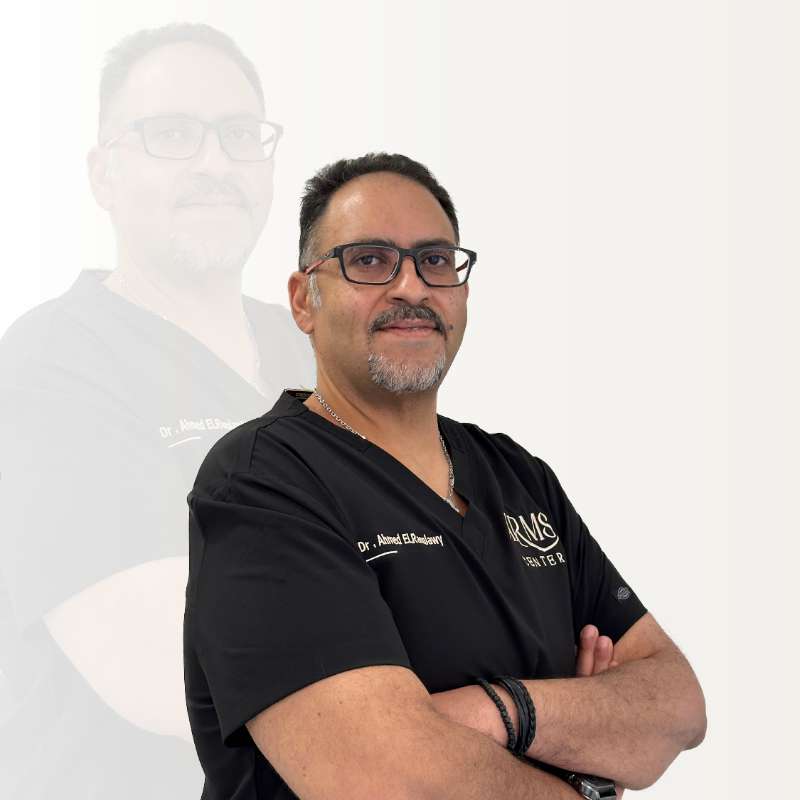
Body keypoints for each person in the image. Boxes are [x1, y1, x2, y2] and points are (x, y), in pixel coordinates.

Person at [184, 152, 707, 799]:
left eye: (434, 260)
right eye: (369, 260)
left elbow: (677, 706)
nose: (411, 287)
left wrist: (495, 711)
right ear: (303, 300)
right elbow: (388, 780)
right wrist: (583, 758)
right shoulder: (263, 483)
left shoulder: (520, 477)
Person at [0, 24, 313, 800]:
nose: (215, 163)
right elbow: (176, 671)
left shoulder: (317, 353)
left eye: (239, 135)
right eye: (172, 134)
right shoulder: (52, 364)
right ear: (103, 173)